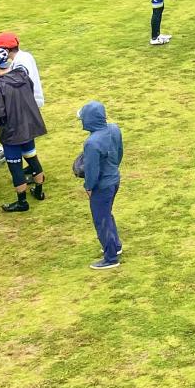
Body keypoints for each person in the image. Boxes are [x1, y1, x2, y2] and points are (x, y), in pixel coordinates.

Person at [0, 46, 47, 213]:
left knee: (15, 166)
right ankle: (39, 191)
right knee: (32, 158)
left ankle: (22, 202)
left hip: (11, 132)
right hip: (29, 126)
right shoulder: (22, 75)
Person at [78, 101, 123, 270]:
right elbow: (119, 152)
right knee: (107, 214)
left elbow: (92, 170)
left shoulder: (92, 143)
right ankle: (115, 246)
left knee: (101, 220)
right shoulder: (114, 129)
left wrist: (88, 187)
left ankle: (110, 257)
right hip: (114, 179)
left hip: (102, 187)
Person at [0, 33, 42, 108]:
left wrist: (1, 73)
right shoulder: (23, 56)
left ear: (6, 50)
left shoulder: (22, 60)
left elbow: (20, 77)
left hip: (28, 103)